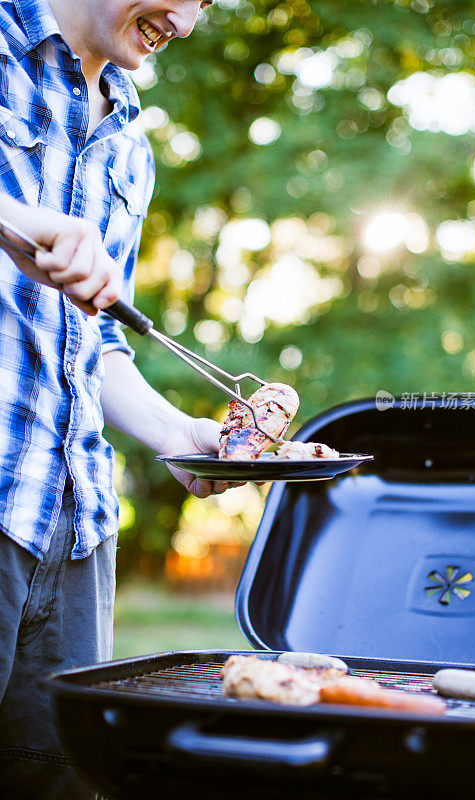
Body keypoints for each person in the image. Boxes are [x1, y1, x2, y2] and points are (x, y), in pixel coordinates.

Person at [0, 1, 225, 797]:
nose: (188, 20)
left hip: (75, 530)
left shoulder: (129, 140)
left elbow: (96, 344)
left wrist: (177, 434)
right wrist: (16, 219)